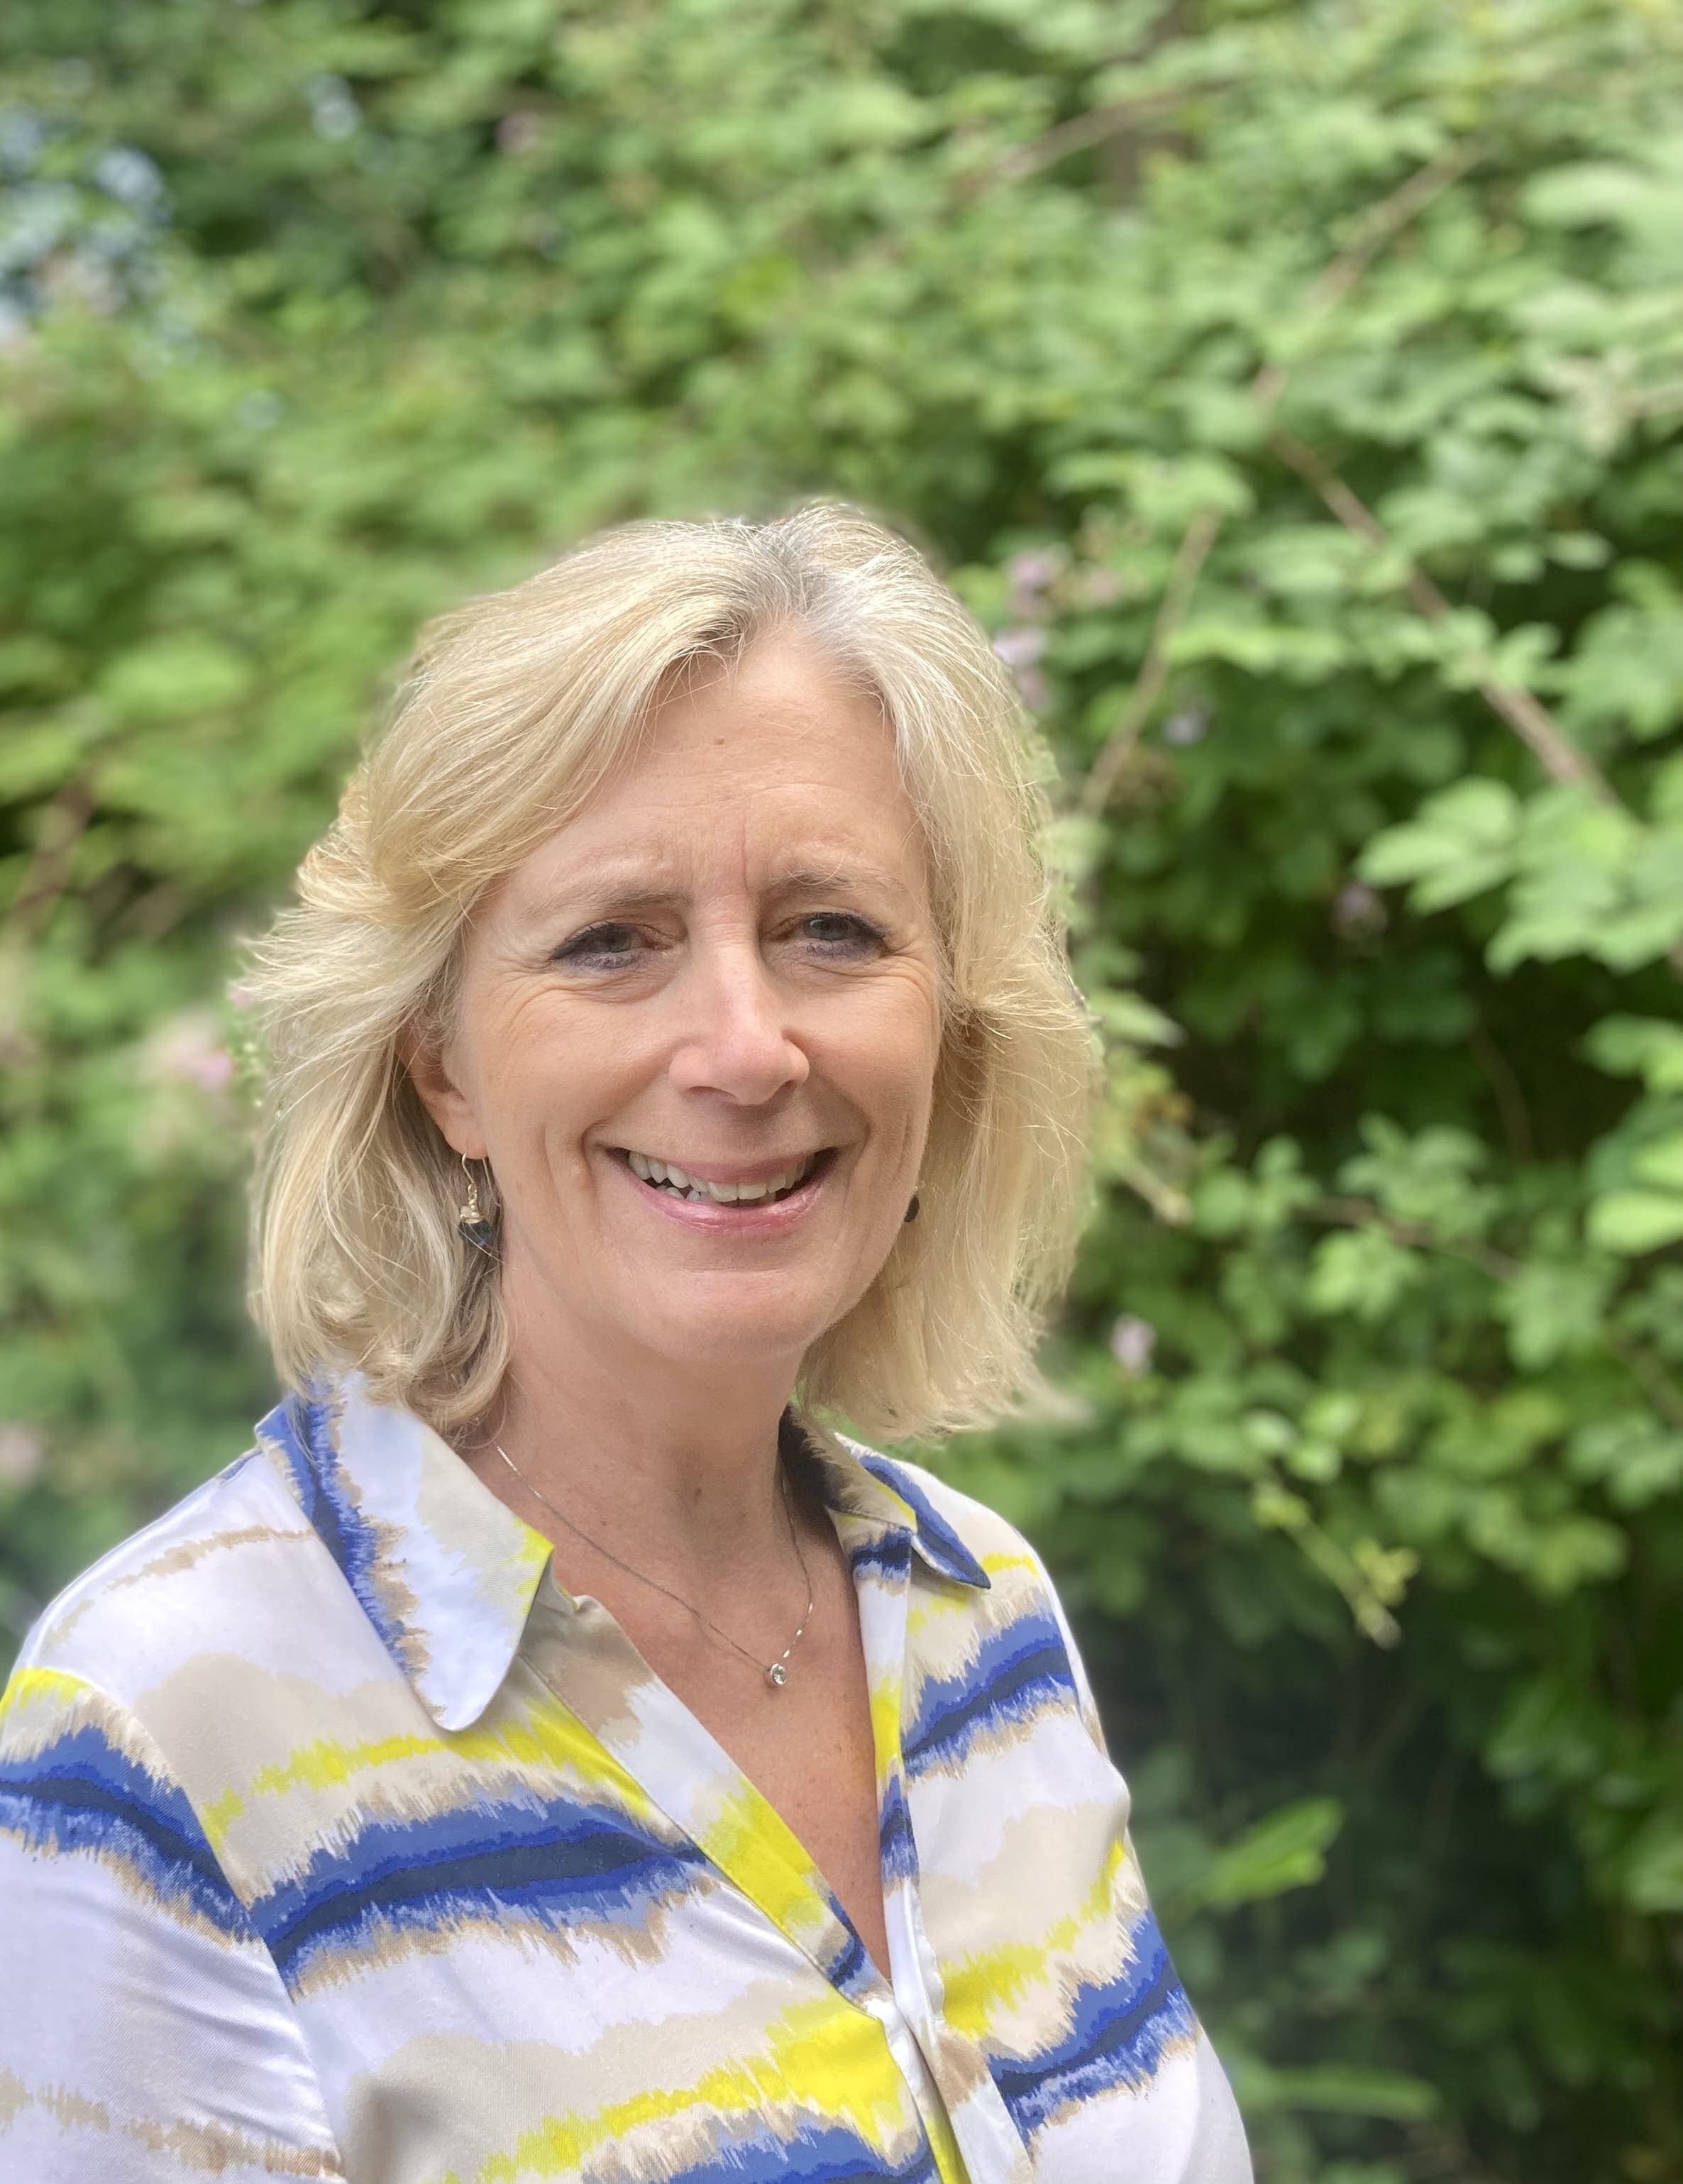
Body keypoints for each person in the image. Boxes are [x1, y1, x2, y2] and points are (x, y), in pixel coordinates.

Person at [0, 507, 1252, 2182]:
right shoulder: (161, 1731)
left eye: (832, 929)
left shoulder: (982, 1613)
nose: (745, 1047)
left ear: (948, 1026)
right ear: (441, 1065)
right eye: (611, 942)